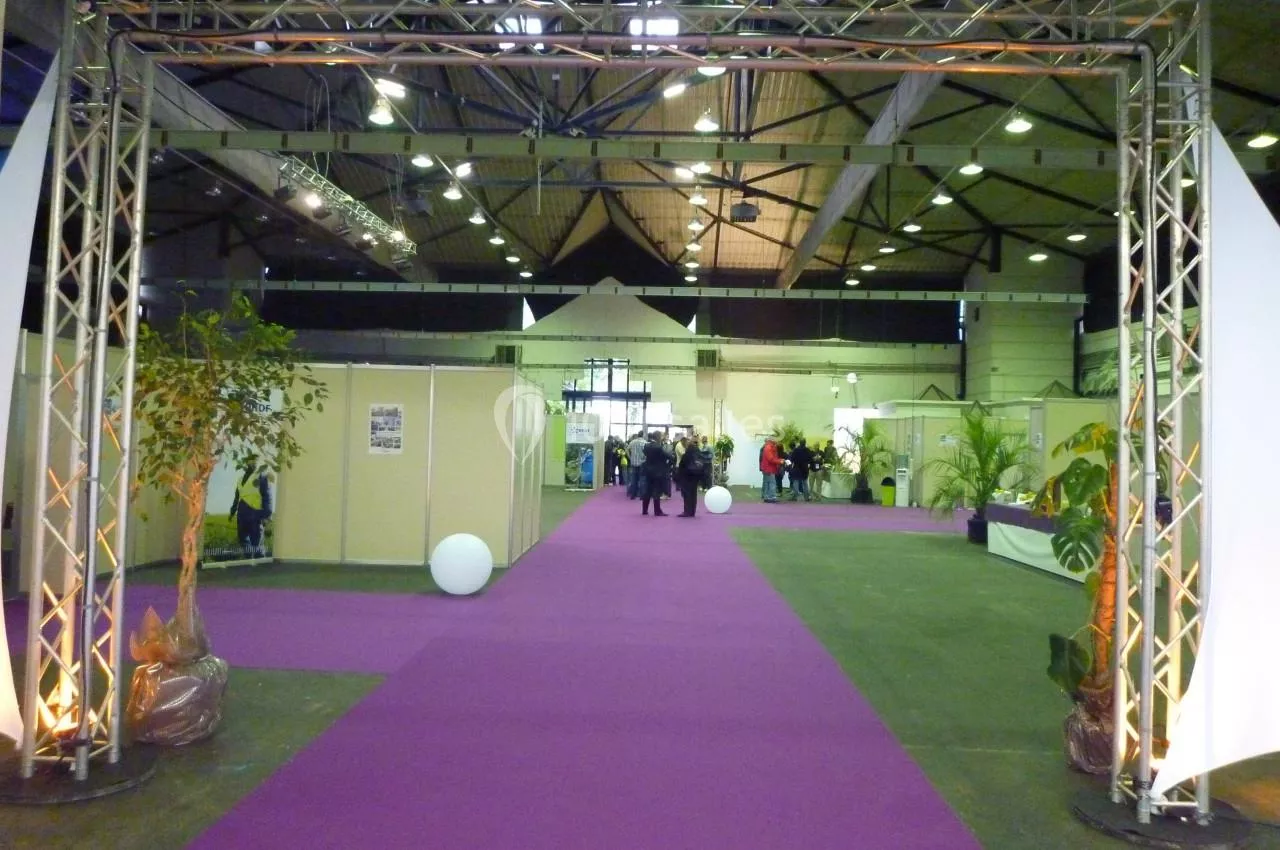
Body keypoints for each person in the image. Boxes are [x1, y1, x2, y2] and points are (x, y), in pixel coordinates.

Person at [230, 457, 272, 559]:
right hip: (241, 514)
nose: (254, 462)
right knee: (243, 539)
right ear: (246, 463)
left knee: (257, 543)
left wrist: (266, 515)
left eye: (255, 461)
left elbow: (267, 496)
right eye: (251, 460)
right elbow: (237, 497)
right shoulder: (240, 479)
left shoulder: (261, 477)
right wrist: (232, 511)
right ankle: (249, 560)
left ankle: (260, 563)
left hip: (255, 514)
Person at [641, 430, 670, 516]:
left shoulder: (646, 446)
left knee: (647, 490)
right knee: (657, 491)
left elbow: (645, 455)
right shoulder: (658, 447)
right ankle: (657, 511)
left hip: (648, 470)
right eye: (661, 436)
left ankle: (644, 510)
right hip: (658, 472)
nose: (662, 438)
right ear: (658, 437)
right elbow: (667, 456)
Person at [675, 437, 706, 517]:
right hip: (696, 476)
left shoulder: (686, 455)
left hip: (687, 477)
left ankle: (687, 511)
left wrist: (678, 477)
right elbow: (702, 466)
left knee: (687, 494)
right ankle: (692, 511)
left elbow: (681, 467)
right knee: (693, 494)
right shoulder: (699, 454)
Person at [759, 438, 782, 503]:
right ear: (772, 440)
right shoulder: (769, 447)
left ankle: (766, 497)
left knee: (767, 483)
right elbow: (771, 459)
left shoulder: (768, 447)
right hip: (769, 468)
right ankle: (772, 497)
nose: (777, 441)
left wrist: (779, 460)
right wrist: (780, 461)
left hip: (766, 468)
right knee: (772, 483)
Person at [626, 432, 647, 499]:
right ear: (643, 435)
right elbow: (646, 453)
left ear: (638, 435)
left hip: (633, 463)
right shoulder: (645, 442)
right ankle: (641, 495)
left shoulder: (632, 442)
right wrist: (645, 458)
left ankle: (633, 495)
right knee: (642, 479)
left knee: (634, 479)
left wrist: (630, 457)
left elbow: (627, 450)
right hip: (642, 463)